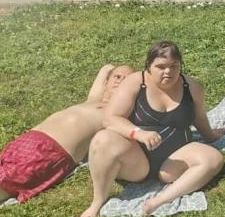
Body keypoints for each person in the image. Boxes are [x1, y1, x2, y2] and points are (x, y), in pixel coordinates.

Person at [80, 41, 225, 217]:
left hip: (175, 159)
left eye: (174, 66)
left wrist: (211, 135)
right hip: (137, 160)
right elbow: (110, 118)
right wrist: (138, 133)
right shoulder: (135, 82)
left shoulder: (191, 87)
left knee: (213, 158)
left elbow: (199, 116)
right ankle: (97, 201)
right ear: (149, 66)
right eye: (161, 67)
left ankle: (161, 200)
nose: (168, 72)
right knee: (102, 138)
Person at [0, 63, 133, 203]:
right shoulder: (92, 101)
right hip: (25, 141)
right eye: (117, 76)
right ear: (106, 82)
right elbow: (106, 69)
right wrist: (111, 71)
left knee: (9, 179)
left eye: (126, 80)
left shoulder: (116, 113)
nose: (120, 80)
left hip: (48, 150)